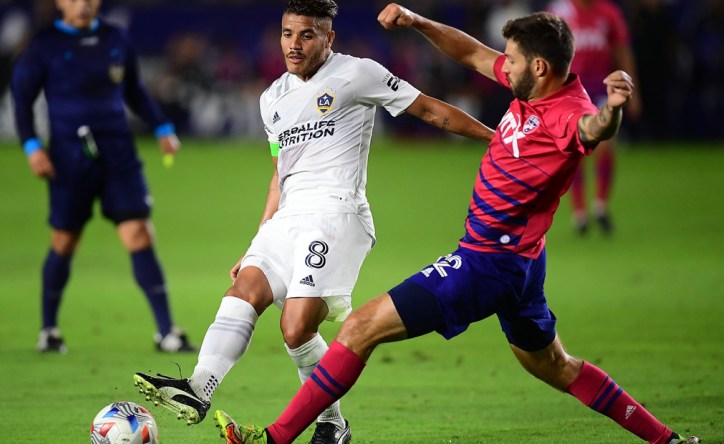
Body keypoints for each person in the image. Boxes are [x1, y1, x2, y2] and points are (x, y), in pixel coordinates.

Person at [211, 5, 699, 444]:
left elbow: (592, 131)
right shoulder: (530, 87)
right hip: (523, 265)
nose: (499, 64)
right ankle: (667, 440)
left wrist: (611, 111)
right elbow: (469, 52)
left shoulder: (569, 115)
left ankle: (274, 438)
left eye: (509, 59)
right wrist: (419, 22)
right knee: (558, 366)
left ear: (539, 68)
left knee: (359, 329)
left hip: (485, 262)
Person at [132, 1, 493, 443]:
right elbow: (279, 174)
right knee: (245, 289)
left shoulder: (358, 73)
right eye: (287, 34)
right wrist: (256, 239)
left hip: (337, 214)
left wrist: (499, 140)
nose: (294, 45)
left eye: (306, 35)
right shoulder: (272, 99)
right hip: (287, 217)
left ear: (329, 38)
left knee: (296, 327)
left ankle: (333, 423)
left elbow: (431, 110)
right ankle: (199, 388)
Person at [11, 0, 196, 354]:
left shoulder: (116, 39)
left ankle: (166, 332)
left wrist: (162, 126)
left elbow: (134, 90)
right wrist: (33, 146)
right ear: (60, 3)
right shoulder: (44, 45)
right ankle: (49, 330)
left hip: (118, 153)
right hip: (68, 156)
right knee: (65, 240)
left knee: (139, 232)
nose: (82, 4)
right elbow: (22, 100)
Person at [546, 0, 642, 235]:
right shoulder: (559, 12)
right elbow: (545, 53)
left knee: (606, 144)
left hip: (601, 88)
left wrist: (634, 91)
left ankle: (600, 206)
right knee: (575, 150)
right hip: (570, 90)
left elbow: (622, 51)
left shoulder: (608, 13)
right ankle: (579, 214)